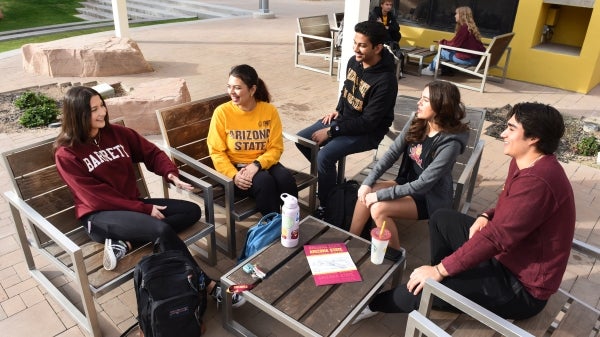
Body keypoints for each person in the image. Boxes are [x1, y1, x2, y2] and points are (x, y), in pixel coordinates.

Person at [353, 102, 575, 323]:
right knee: (441, 218)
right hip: (505, 257)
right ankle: (447, 288)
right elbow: (511, 205)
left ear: (534, 138)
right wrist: (486, 215)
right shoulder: (525, 161)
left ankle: (368, 305)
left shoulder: (539, 181)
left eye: (511, 128)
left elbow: (496, 239)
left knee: (423, 287)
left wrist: (440, 270)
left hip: (522, 287)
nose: (503, 133)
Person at [54, 86, 244, 307]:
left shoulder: (117, 133)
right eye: (93, 109)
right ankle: (209, 286)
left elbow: (151, 152)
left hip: (133, 208)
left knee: (190, 211)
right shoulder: (67, 153)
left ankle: (125, 241)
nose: (102, 113)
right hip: (100, 216)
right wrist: (144, 210)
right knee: (161, 230)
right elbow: (96, 198)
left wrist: (171, 174)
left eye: (101, 106)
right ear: (77, 115)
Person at [349, 81, 469, 250]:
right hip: (406, 183)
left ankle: (396, 256)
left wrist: (380, 196)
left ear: (442, 106)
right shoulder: (418, 121)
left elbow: (424, 184)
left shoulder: (450, 143)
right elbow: (392, 153)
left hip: (429, 197)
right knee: (367, 191)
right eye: (421, 98)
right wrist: (368, 182)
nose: (418, 103)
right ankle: (350, 240)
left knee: (378, 208)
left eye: (425, 100)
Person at [296, 21, 398, 217]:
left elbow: (368, 122)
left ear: (377, 48)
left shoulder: (386, 80)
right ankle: (333, 185)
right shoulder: (354, 61)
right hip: (344, 120)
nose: (355, 49)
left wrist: (331, 131)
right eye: (354, 42)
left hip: (368, 132)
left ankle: (328, 205)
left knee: (325, 157)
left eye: (362, 45)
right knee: (303, 140)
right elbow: (346, 88)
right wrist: (338, 110)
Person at [207, 64, 298, 215]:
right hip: (236, 171)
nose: (231, 92)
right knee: (265, 182)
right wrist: (233, 175)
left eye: (237, 88)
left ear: (252, 90)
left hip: (262, 163)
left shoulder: (269, 111)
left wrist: (257, 164)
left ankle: (292, 224)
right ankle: (272, 228)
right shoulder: (222, 113)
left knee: (285, 179)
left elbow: (276, 148)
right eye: (229, 86)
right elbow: (216, 152)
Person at [421, 6, 485, 76]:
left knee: (442, 52)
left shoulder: (465, 28)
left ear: (461, 16)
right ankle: (447, 71)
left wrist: (442, 42)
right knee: (448, 50)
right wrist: (444, 43)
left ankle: (430, 69)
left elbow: (454, 44)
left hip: (469, 60)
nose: (455, 16)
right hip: (474, 59)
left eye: (456, 14)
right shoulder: (470, 27)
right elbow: (456, 44)